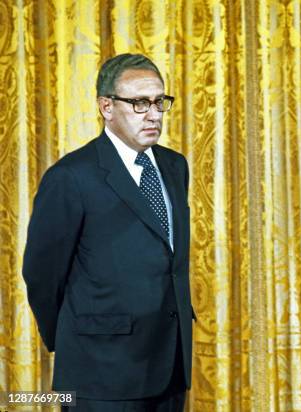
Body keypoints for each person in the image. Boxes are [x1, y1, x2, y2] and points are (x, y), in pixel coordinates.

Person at [22, 53, 194, 411]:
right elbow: (42, 273)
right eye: (139, 103)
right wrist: (77, 336)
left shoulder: (175, 166)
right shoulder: (71, 177)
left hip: (170, 365)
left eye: (160, 101)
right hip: (100, 371)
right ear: (106, 107)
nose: (154, 114)